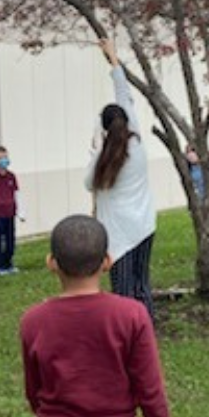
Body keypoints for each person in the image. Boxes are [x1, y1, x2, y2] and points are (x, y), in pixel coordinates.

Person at [20, 215, 172, 417]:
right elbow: (150, 389)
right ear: (107, 261)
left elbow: (33, 388)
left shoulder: (33, 321)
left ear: (51, 262)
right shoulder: (132, 315)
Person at [85, 38, 156, 317]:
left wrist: (93, 151)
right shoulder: (136, 143)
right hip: (145, 225)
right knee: (142, 286)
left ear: (103, 129)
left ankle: (128, 338)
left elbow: (87, 184)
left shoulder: (101, 159)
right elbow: (123, 93)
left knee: (123, 293)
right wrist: (113, 58)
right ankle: (145, 332)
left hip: (119, 235)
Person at [0, 145, 26, 276]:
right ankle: (0, 266)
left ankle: (9, 263)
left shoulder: (11, 176)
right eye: (0, 158)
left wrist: (21, 211)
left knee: (10, 240)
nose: (4, 160)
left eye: (6, 157)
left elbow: (17, 194)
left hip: (10, 213)